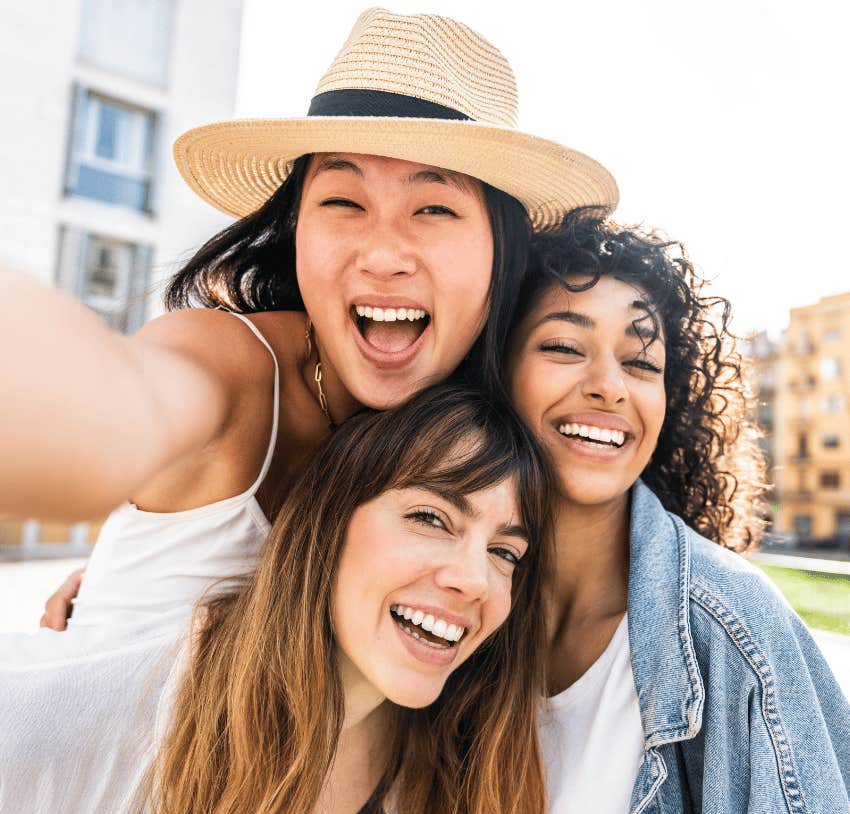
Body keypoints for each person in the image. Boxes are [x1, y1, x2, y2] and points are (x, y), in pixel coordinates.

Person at [0, 7, 615, 628]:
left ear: (500, 251)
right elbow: (117, 405)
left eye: (433, 209)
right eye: (344, 201)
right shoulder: (230, 365)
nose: (381, 255)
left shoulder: (489, 430)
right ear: (296, 229)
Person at [0, 384, 554, 814]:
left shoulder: (445, 775)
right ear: (327, 522)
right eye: (431, 518)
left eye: (505, 553)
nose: (475, 580)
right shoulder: (104, 707)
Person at [505, 209, 850, 814]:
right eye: (562, 347)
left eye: (640, 362)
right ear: (497, 370)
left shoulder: (737, 636)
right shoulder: (441, 595)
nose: (608, 387)